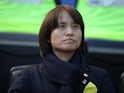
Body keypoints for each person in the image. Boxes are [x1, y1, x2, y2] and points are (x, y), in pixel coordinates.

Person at [8, 4, 115, 93]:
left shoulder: (100, 77)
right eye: (61, 26)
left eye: (75, 27)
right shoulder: (28, 77)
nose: (70, 32)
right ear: (48, 36)